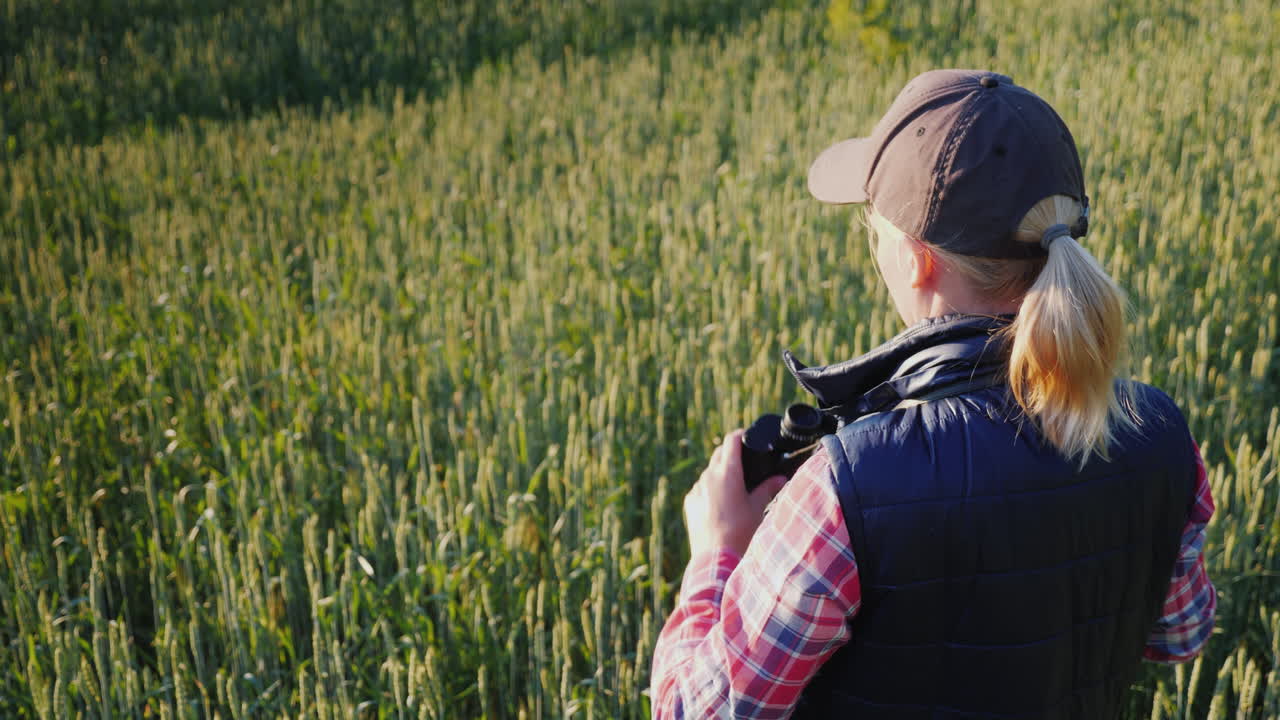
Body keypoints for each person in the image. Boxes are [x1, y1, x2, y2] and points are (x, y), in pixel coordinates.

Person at [649, 69, 1216, 719]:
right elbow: (1181, 632)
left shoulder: (848, 487)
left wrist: (716, 555)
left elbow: (696, 711)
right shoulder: (1158, 431)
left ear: (917, 258)